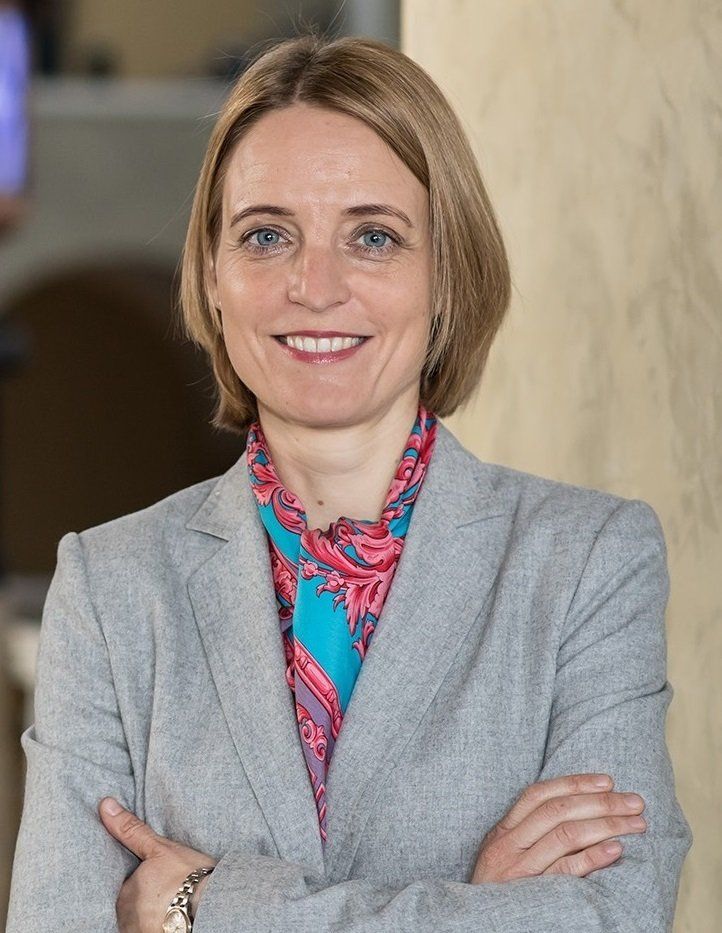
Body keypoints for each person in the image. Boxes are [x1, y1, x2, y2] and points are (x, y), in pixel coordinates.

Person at [7, 32, 692, 933]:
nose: (314, 284)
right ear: (212, 274)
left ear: (446, 271)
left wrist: (203, 903)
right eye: (266, 235)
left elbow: (615, 917)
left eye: (374, 237)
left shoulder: (587, 564)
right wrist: (478, 908)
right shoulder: (110, 587)